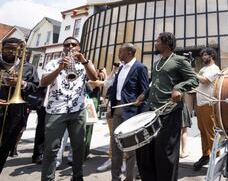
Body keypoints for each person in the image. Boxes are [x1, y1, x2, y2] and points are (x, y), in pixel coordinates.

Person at [136, 32, 199, 181]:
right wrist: (144, 94)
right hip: (152, 112)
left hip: (170, 111)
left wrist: (179, 87)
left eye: (157, 41)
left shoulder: (179, 61)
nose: (155, 43)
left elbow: (194, 79)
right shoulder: (157, 63)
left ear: (166, 43)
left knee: (165, 152)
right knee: (147, 150)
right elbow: (155, 84)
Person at [40, 36, 98, 181]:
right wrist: (60, 68)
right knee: (51, 149)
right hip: (55, 111)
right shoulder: (53, 62)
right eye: (67, 45)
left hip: (77, 111)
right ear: (63, 48)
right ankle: (47, 178)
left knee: (78, 147)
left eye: (74, 45)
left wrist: (84, 60)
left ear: (79, 48)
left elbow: (94, 77)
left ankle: (77, 177)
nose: (70, 47)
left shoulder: (85, 63)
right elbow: (43, 82)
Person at [108, 43, 149, 181]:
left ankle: (129, 178)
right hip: (117, 109)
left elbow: (144, 92)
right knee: (116, 146)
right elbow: (115, 89)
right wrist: (110, 106)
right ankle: (115, 177)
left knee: (131, 148)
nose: (119, 53)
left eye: (121, 51)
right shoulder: (120, 67)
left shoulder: (140, 68)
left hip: (131, 112)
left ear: (130, 52)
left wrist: (141, 117)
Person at [0, 37, 40, 173]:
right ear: (2, 48)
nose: (11, 52)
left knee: (4, 148)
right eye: (8, 48)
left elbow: (36, 87)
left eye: (15, 49)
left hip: (15, 113)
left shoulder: (29, 67)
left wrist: (21, 83)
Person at [193, 47, 220, 170]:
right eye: (202, 55)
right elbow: (197, 82)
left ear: (211, 56)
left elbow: (204, 81)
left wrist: (192, 72)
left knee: (210, 132)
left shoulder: (214, 69)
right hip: (200, 104)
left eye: (205, 55)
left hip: (209, 104)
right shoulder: (203, 69)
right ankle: (206, 155)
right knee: (202, 131)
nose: (203, 57)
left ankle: (217, 157)